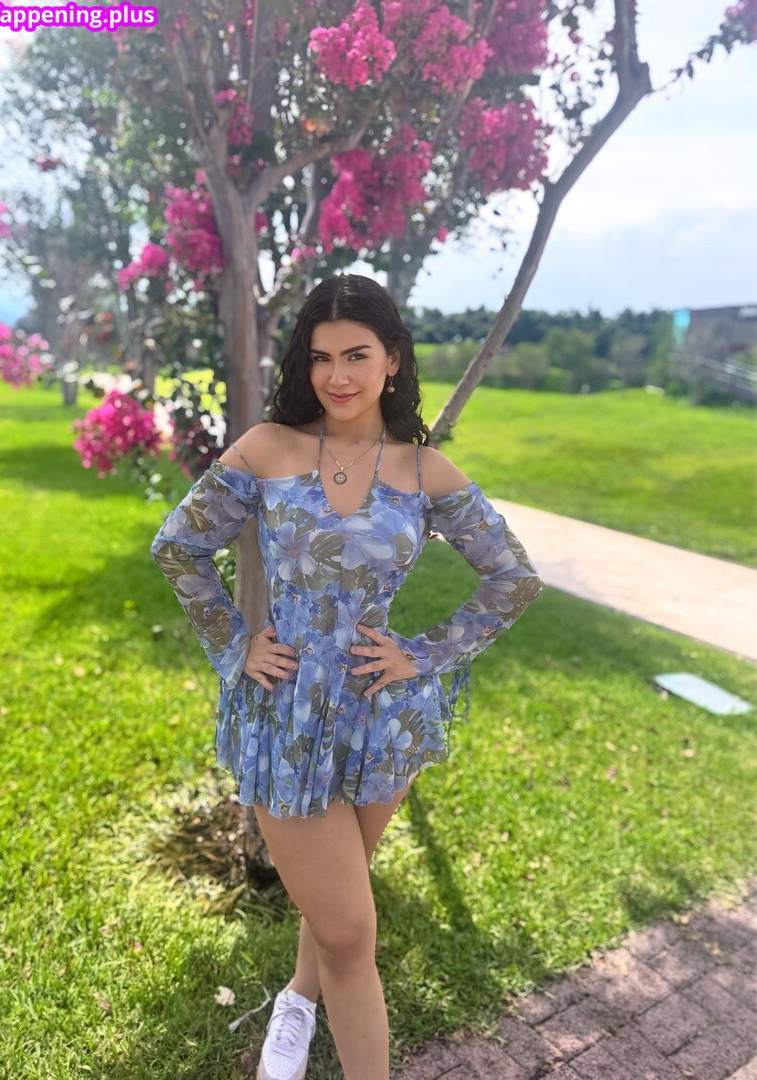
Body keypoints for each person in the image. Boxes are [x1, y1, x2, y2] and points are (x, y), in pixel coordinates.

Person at [150, 273, 545, 1080]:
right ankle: (313, 1008)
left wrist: (424, 654)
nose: (338, 375)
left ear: (393, 359)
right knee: (351, 931)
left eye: (357, 355)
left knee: (340, 901)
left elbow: (514, 577)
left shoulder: (425, 471)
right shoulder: (268, 448)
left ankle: (299, 997)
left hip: (380, 714)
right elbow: (177, 546)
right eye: (322, 356)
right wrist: (234, 643)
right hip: (287, 712)